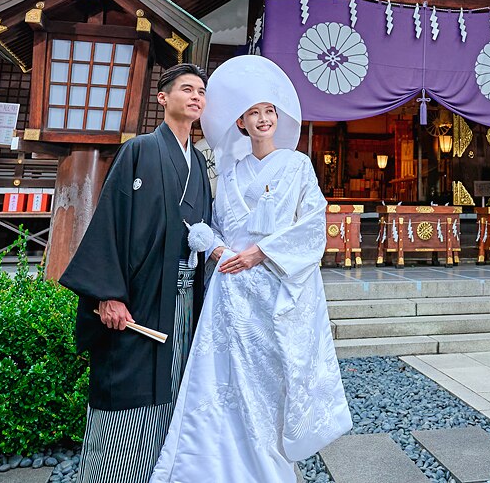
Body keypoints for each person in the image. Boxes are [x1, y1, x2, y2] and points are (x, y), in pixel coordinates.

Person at [151, 55, 352, 483]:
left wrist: (260, 253)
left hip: (276, 287)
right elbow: (219, 226)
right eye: (253, 114)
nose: (262, 120)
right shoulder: (232, 172)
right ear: (241, 123)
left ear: (277, 118)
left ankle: (269, 462)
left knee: (270, 380)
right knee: (223, 379)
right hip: (232, 289)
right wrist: (219, 247)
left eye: (269, 112)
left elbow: (313, 225)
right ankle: (211, 462)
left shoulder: (298, 166)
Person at [61, 63, 213, 483]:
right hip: (138, 296)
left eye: (202, 91)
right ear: (163, 98)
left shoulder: (198, 164)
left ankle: (164, 471)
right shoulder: (139, 150)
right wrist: (107, 293)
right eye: (187, 89)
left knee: (174, 379)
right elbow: (110, 221)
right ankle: (112, 473)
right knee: (128, 383)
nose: (197, 96)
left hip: (182, 297)